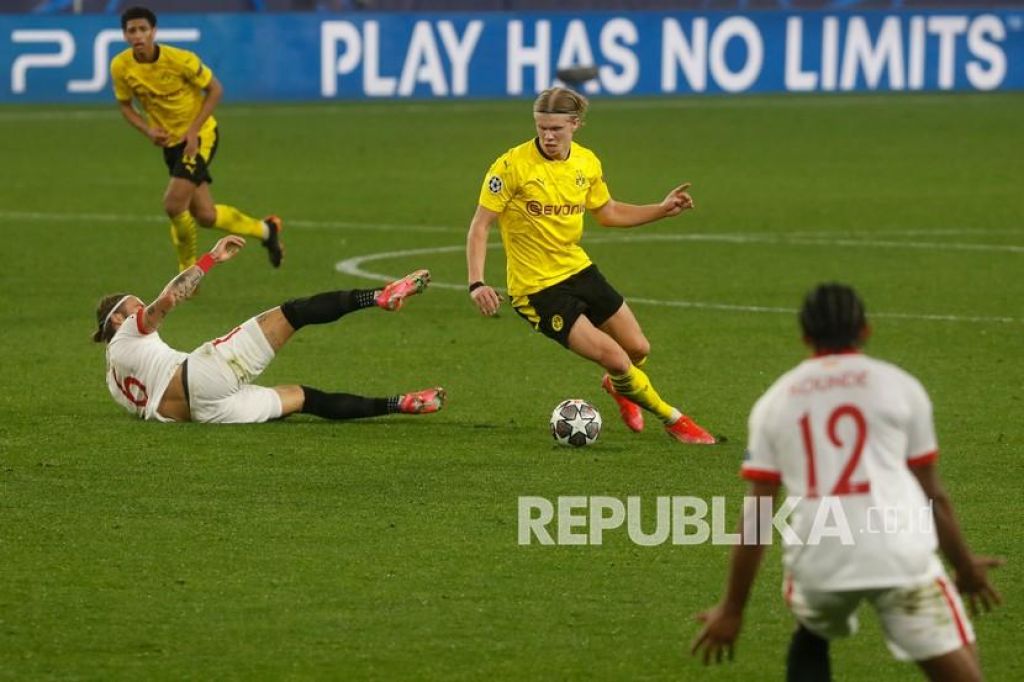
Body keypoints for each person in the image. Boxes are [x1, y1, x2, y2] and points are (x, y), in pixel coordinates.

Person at [691, 283, 1003, 680]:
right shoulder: (899, 386)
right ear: (865, 329)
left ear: (805, 336)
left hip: (820, 562)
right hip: (899, 554)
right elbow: (933, 496)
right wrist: (966, 567)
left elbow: (756, 518)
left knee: (812, 627)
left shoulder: (776, 401)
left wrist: (732, 609)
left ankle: (813, 634)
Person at [465, 86, 714, 444]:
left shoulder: (586, 162)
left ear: (575, 124)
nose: (548, 136)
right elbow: (480, 225)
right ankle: (674, 419)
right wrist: (477, 282)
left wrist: (661, 209)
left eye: (556, 129)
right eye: (541, 128)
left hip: (577, 269)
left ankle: (619, 388)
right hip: (537, 289)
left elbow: (608, 212)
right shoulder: (510, 167)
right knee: (615, 356)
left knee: (638, 349)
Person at [93, 235, 445, 424]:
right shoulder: (127, 333)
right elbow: (169, 298)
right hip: (201, 376)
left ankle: (400, 404)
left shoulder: (112, 381)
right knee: (294, 313)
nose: (143, 310)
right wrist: (210, 258)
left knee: (304, 398)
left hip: (203, 414)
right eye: (135, 307)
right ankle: (379, 297)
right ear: (118, 321)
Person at [110, 6, 284, 273]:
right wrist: (148, 130)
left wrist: (193, 131)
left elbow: (215, 89)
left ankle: (188, 271)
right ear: (124, 35)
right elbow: (125, 105)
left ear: (153, 31)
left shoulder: (181, 60)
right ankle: (266, 230)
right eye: (132, 30)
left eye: (143, 29)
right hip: (170, 144)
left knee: (173, 204)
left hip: (199, 136)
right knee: (205, 215)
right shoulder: (121, 66)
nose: (138, 35)